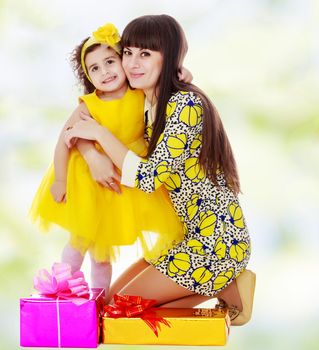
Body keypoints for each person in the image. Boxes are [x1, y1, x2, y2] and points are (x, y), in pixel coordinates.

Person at [64, 15, 256, 325]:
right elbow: (74, 127)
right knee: (110, 304)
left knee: (118, 313)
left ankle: (227, 283)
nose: (132, 63)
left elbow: (149, 178)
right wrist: (90, 154)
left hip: (216, 245)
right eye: (128, 53)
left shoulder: (187, 105)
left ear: (168, 58)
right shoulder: (150, 103)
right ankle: (228, 285)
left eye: (146, 54)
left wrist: (99, 136)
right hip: (186, 241)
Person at [29, 22, 187, 296]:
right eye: (95, 69)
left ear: (124, 62)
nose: (105, 72)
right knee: (80, 239)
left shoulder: (141, 94)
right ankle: (64, 294)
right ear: (88, 76)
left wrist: (182, 74)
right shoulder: (90, 104)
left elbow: (173, 85)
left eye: (110, 62)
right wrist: (62, 179)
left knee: (103, 254)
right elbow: (64, 140)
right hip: (88, 181)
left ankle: (99, 302)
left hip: (122, 178)